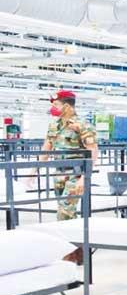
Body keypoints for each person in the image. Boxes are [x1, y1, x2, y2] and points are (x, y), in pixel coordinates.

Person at [40, 90, 98, 265]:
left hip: (76, 173)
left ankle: (69, 253)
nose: (53, 108)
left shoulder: (83, 125)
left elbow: (93, 151)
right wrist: (33, 171)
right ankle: (78, 253)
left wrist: (84, 177)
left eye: (56, 105)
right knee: (66, 213)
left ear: (67, 105)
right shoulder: (53, 126)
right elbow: (46, 148)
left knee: (64, 211)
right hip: (59, 173)